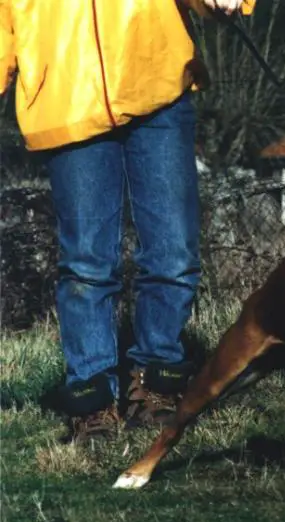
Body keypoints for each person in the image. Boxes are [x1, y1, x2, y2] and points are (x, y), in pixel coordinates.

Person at [0, 0, 255, 441]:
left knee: (173, 252)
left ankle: (158, 382)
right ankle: (92, 399)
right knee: (85, 263)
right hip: (65, 97)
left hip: (157, 83)